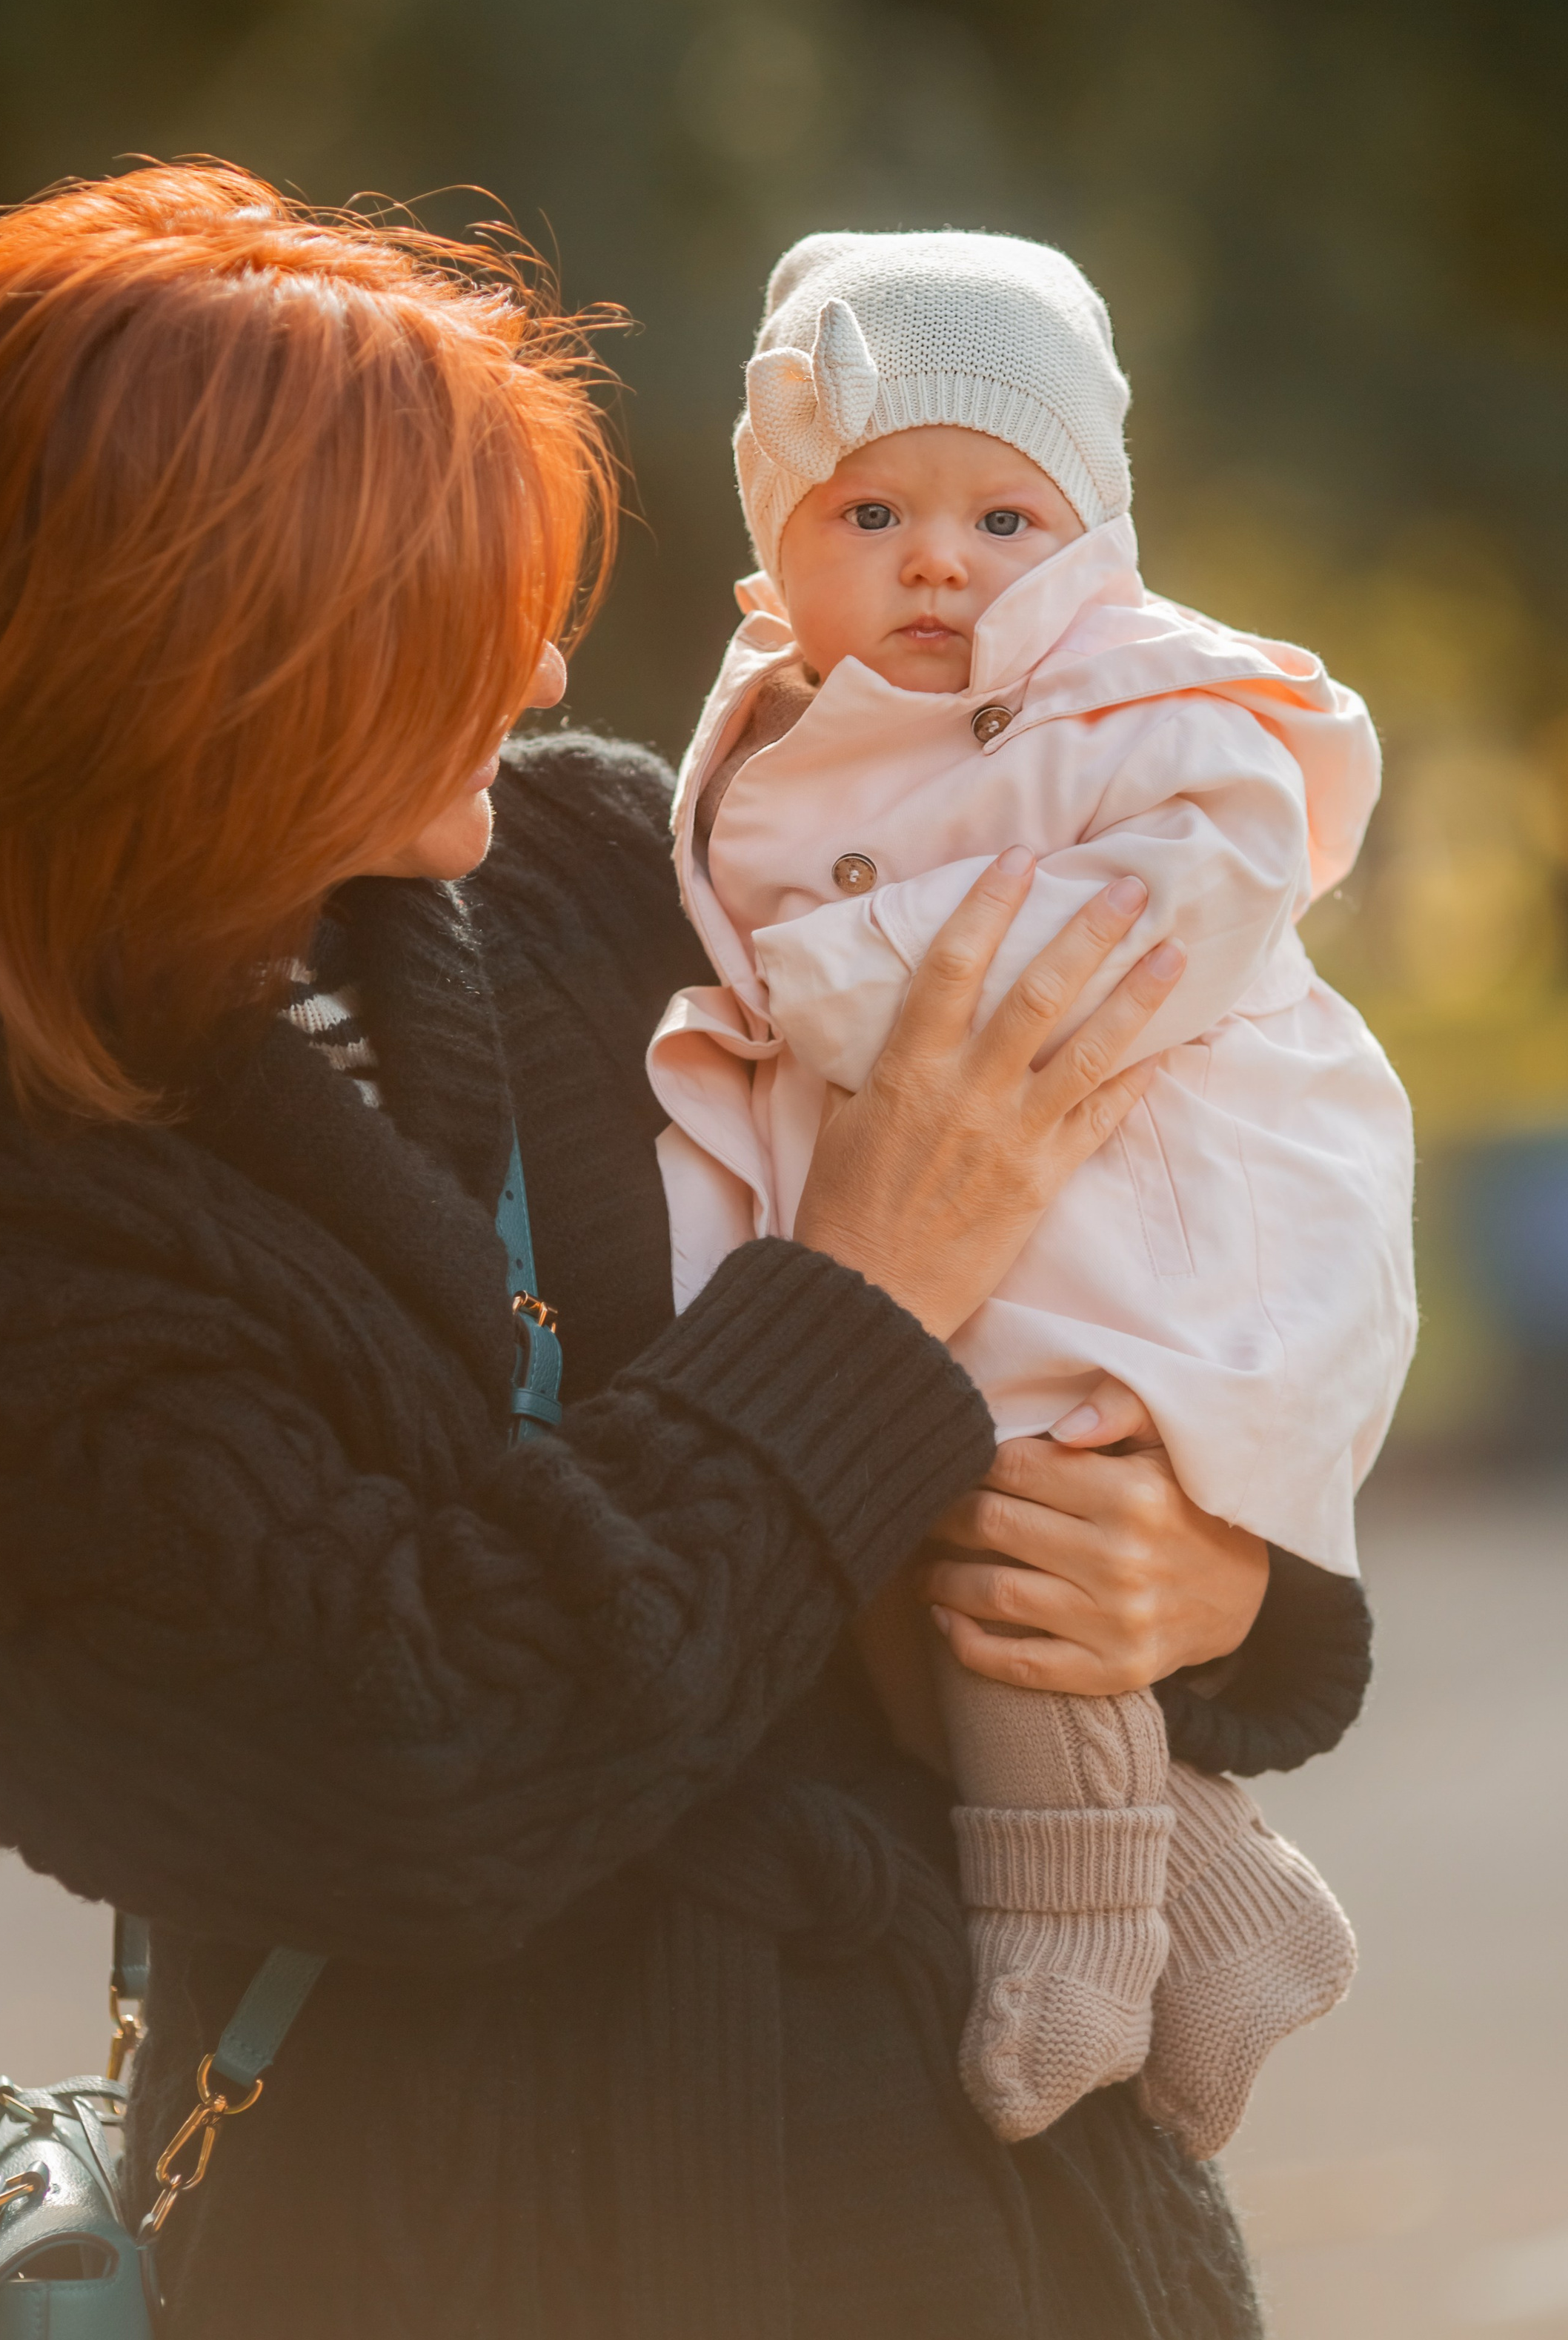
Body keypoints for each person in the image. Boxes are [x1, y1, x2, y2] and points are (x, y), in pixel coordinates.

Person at [0, 164, 1372, 2340]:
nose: (541, 660)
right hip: (456, 2268)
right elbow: (422, 1774)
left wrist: (1224, 1585)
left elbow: (1092, 1259)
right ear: (208, 661)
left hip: (1025, 2241)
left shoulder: (604, 861)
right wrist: (861, 1293)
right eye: (448, 620)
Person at [650, 230, 1414, 2159]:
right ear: (778, 551)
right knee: (888, 1548)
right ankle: (1223, 1894)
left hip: (1143, 1195)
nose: (938, 558)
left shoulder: (1135, 696)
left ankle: (1077, 1939)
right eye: (872, 509)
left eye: (1006, 514)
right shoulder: (772, 725)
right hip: (963, 1223)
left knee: (1012, 1512)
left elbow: (1225, 858)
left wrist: (871, 978)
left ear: (1096, 549)